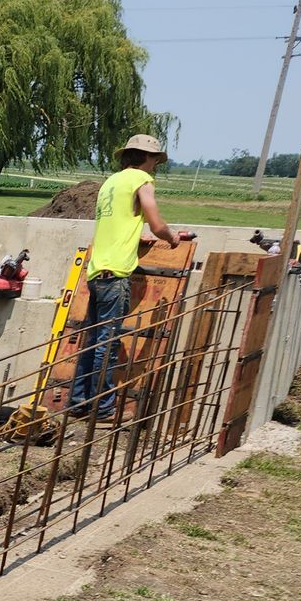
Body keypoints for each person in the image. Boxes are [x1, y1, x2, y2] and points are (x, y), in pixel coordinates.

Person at [68, 133, 194, 419]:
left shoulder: (110, 183)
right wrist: (170, 237)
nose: (156, 165)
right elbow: (155, 218)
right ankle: (102, 407)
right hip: (116, 275)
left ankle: (78, 402)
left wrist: (139, 237)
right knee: (108, 343)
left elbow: (120, 223)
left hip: (98, 270)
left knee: (92, 340)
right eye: (155, 160)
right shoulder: (142, 181)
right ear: (148, 158)